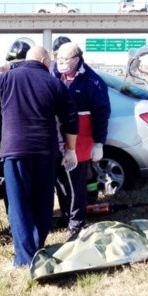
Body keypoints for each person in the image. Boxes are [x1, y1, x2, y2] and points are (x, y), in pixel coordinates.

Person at [0, 46, 79, 267]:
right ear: (43, 60)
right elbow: (71, 119)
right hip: (45, 151)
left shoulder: (4, 79)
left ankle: (24, 258)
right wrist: (70, 150)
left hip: (14, 151)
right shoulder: (55, 83)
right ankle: (37, 248)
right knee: (42, 202)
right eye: (50, 61)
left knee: (19, 203)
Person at [52, 42, 111, 239]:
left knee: (76, 183)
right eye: (58, 58)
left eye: (65, 60)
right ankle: (66, 214)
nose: (60, 63)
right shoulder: (54, 74)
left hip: (80, 139)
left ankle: (77, 221)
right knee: (61, 181)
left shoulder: (92, 81)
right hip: (57, 137)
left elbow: (102, 113)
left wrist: (99, 142)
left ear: (76, 60)